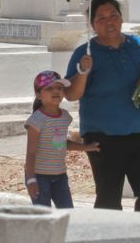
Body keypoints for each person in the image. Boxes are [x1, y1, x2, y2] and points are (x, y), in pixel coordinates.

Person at [65, 0, 140, 212]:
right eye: (101, 18)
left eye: (114, 16)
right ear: (92, 25)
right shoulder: (84, 53)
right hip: (102, 138)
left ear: (121, 18)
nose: (109, 22)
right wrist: (82, 71)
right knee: (108, 199)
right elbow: (71, 95)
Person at [24, 70, 100, 208]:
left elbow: (59, 144)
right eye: (49, 88)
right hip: (39, 177)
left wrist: (86, 147)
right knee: (44, 218)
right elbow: (31, 152)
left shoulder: (64, 117)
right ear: (38, 94)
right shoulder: (36, 120)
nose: (56, 91)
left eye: (59, 88)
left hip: (60, 176)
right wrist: (30, 179)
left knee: (67, 214)